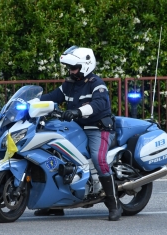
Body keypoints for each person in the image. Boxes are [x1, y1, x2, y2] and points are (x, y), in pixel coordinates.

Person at [36, 46, 122, 221]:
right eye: (70, 67)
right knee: (54, 153)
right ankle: (55, 203)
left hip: (97, 128)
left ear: (86, 65)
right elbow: (52, 97)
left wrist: (78, 112)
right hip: (75, 127)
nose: (71, 70)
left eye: (74, 67)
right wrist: (29, 102)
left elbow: (99, 105)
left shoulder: (96, 84)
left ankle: (114, 204)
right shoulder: (69, 85)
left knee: (99, 159)